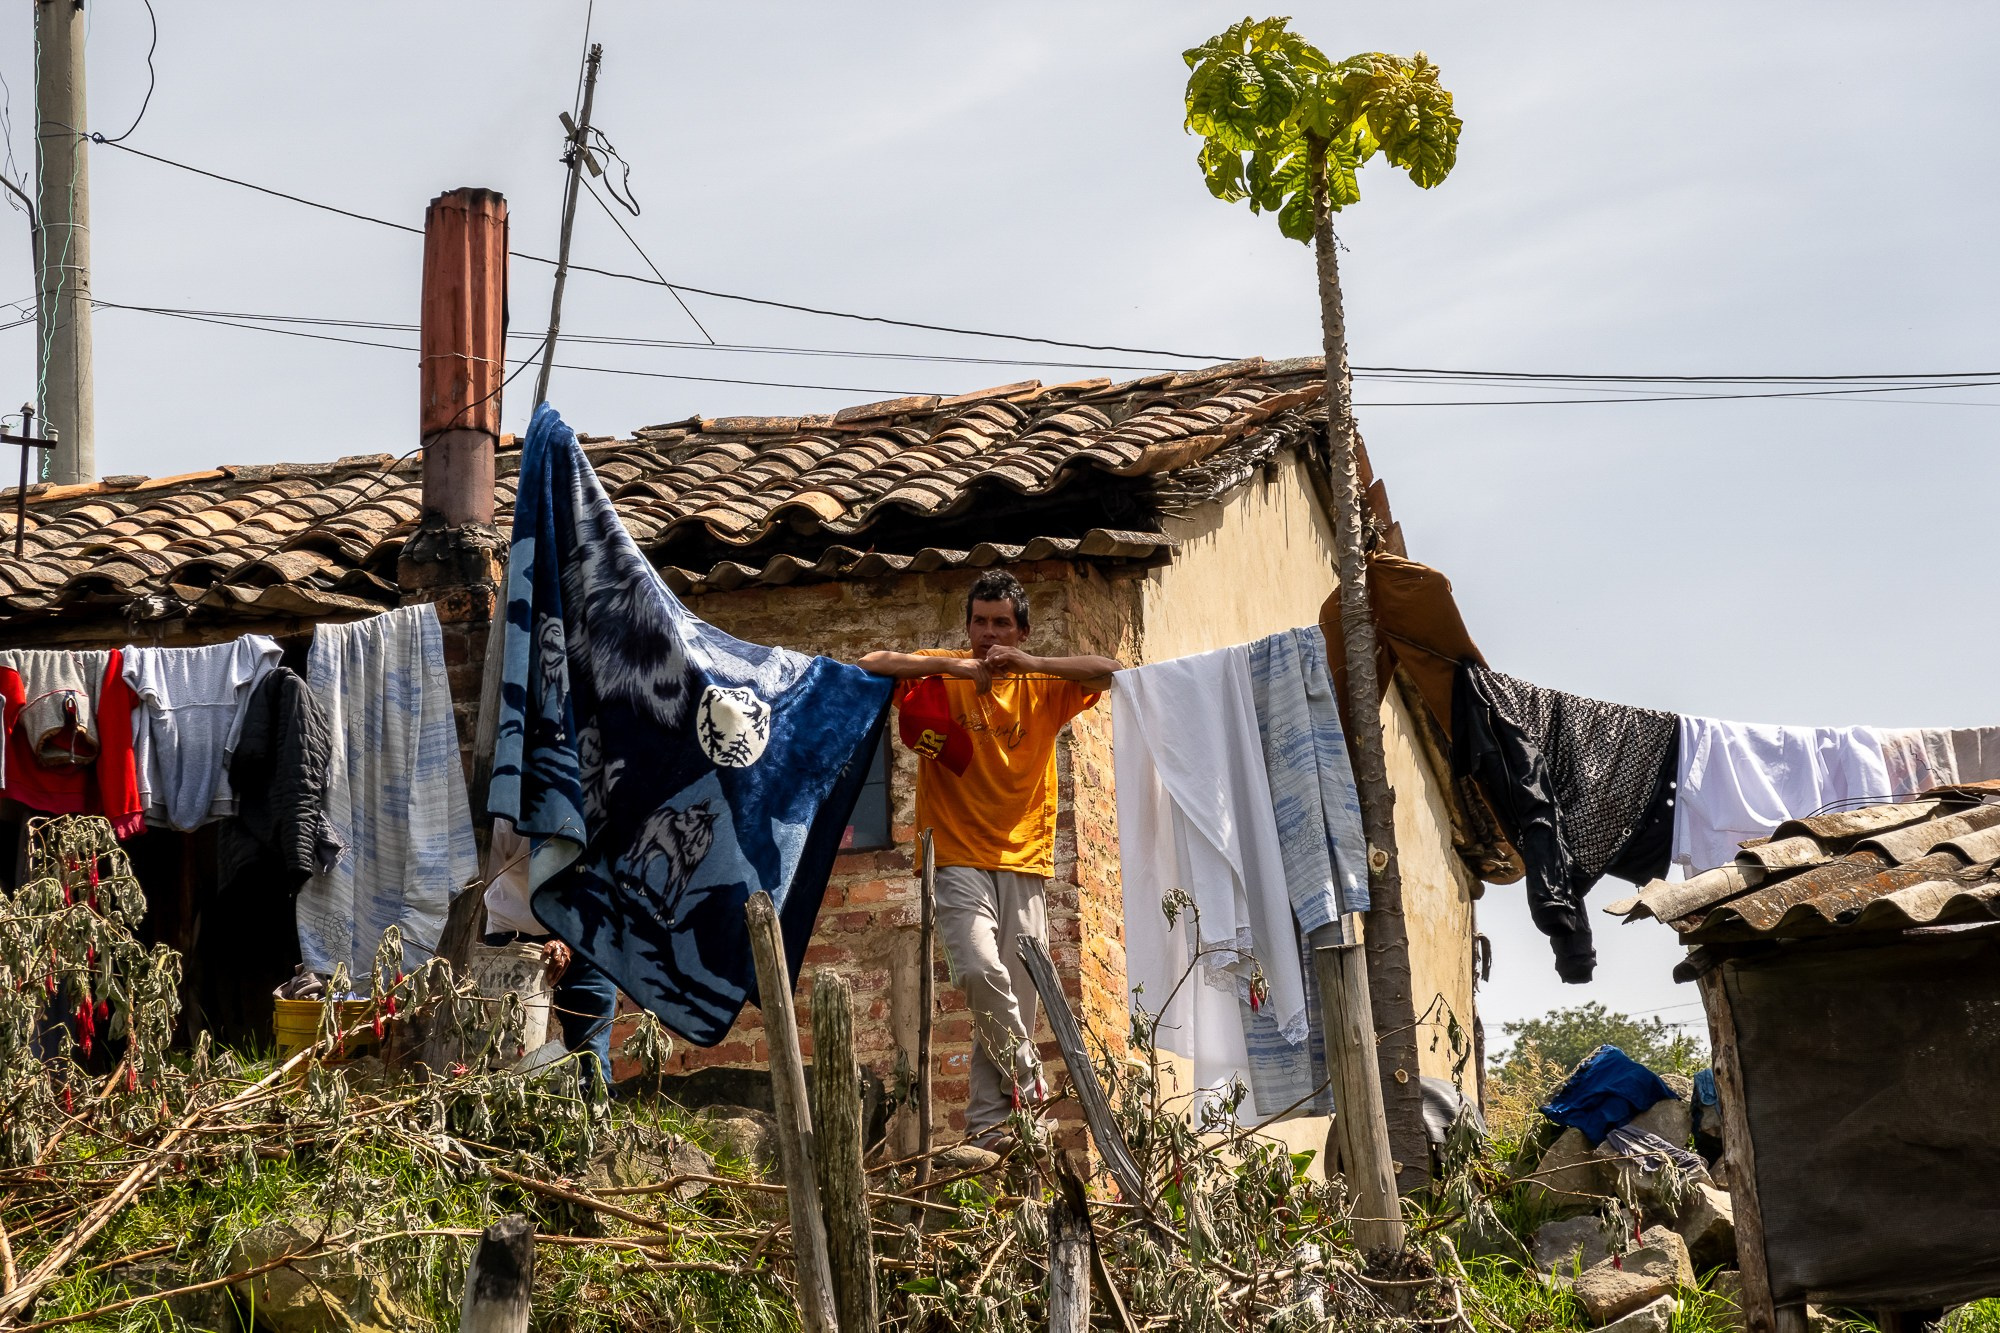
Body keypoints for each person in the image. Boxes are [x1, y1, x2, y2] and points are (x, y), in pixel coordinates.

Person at [859, 570, 1122, 1143]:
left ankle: (988, 1131)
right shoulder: (942, 670)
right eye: (979, 622)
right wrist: (951, 668)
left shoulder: (1043, 687)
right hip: (954, 855)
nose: (987, 634)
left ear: (1021, 631)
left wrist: (1033, 666)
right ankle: (1029, 1078)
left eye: (1001, 623)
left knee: (1010, 1005)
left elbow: (1110, 670)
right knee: (980, 972)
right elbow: (871, 662)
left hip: (1024, 860)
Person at [479, 819, 621, 1088]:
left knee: (591, 1054)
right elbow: (477, 882)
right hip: (514, 927)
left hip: (588, 930)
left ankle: (593, 1118)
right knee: (501, 1054)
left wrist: (567, 935)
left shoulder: (604, 796)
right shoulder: (510, 805)